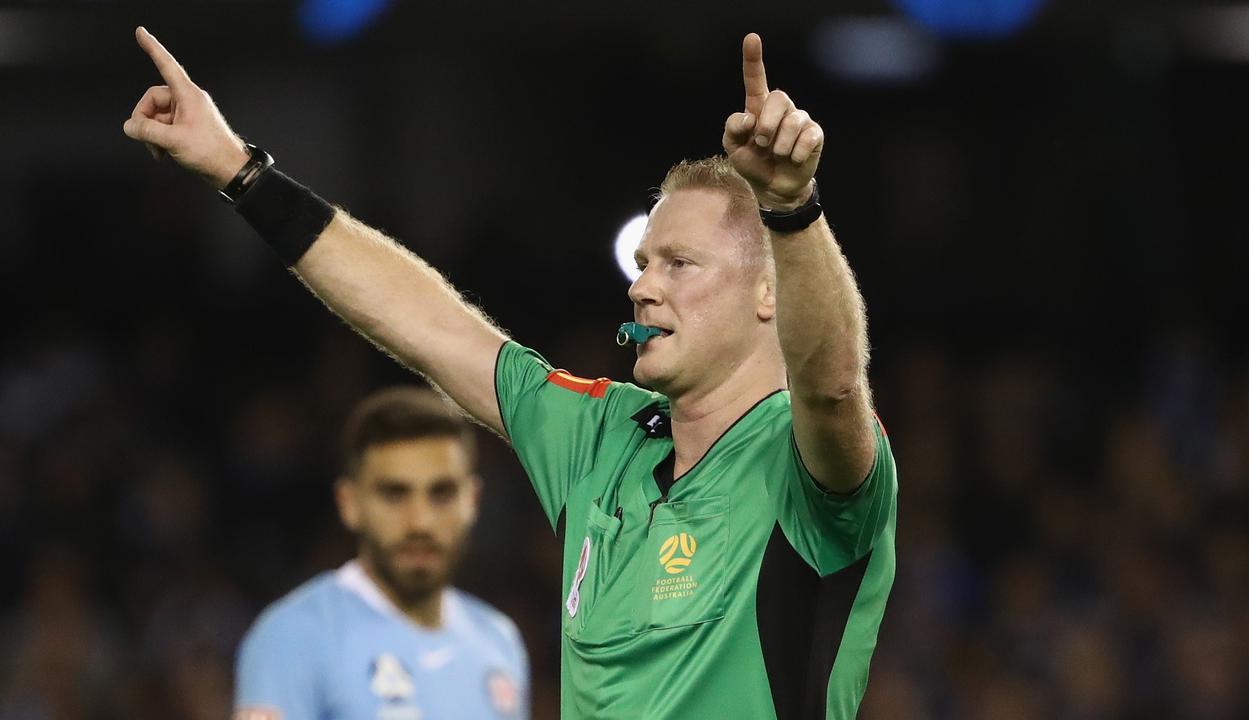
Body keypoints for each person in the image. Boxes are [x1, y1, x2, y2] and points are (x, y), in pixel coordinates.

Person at [123, 26, 898, 719]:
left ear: (769, 292)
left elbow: (830, 386)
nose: (642, 286)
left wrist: (793, 209)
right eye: (642, 263)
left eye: (679, 263)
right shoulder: (601, 432)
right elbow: (428, 326)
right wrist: (238, 170)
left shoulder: (809, 472)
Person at [232, 387, 529, 720]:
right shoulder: (293, 637)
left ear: (472, 501)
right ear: (350, 503)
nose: (420, 522)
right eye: (394, 494)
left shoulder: (499, 643)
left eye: (441, 493)